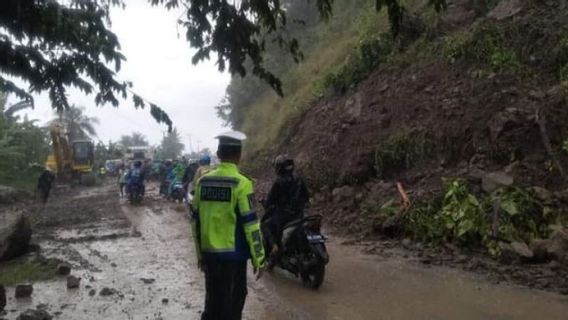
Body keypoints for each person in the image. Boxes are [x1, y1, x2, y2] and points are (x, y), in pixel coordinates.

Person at [191, 131, 265, 320]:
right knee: (233, 302)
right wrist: (259, 258)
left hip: (209, 255)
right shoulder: (241, 183)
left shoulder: (202, 182)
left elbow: (195, 222)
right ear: (239, 156)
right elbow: (251, 225)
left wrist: (200, 253)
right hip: (233, 258)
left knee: (213, 300)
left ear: (218, 152)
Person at [262, 154, 310, 262]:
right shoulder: (299, 179)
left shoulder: (278, 182)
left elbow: (270, 199)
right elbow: (306, 196)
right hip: (299, 214)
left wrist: (266, 204)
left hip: (283, 215)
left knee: (265, 225)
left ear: (278, 167)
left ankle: (274, 247)